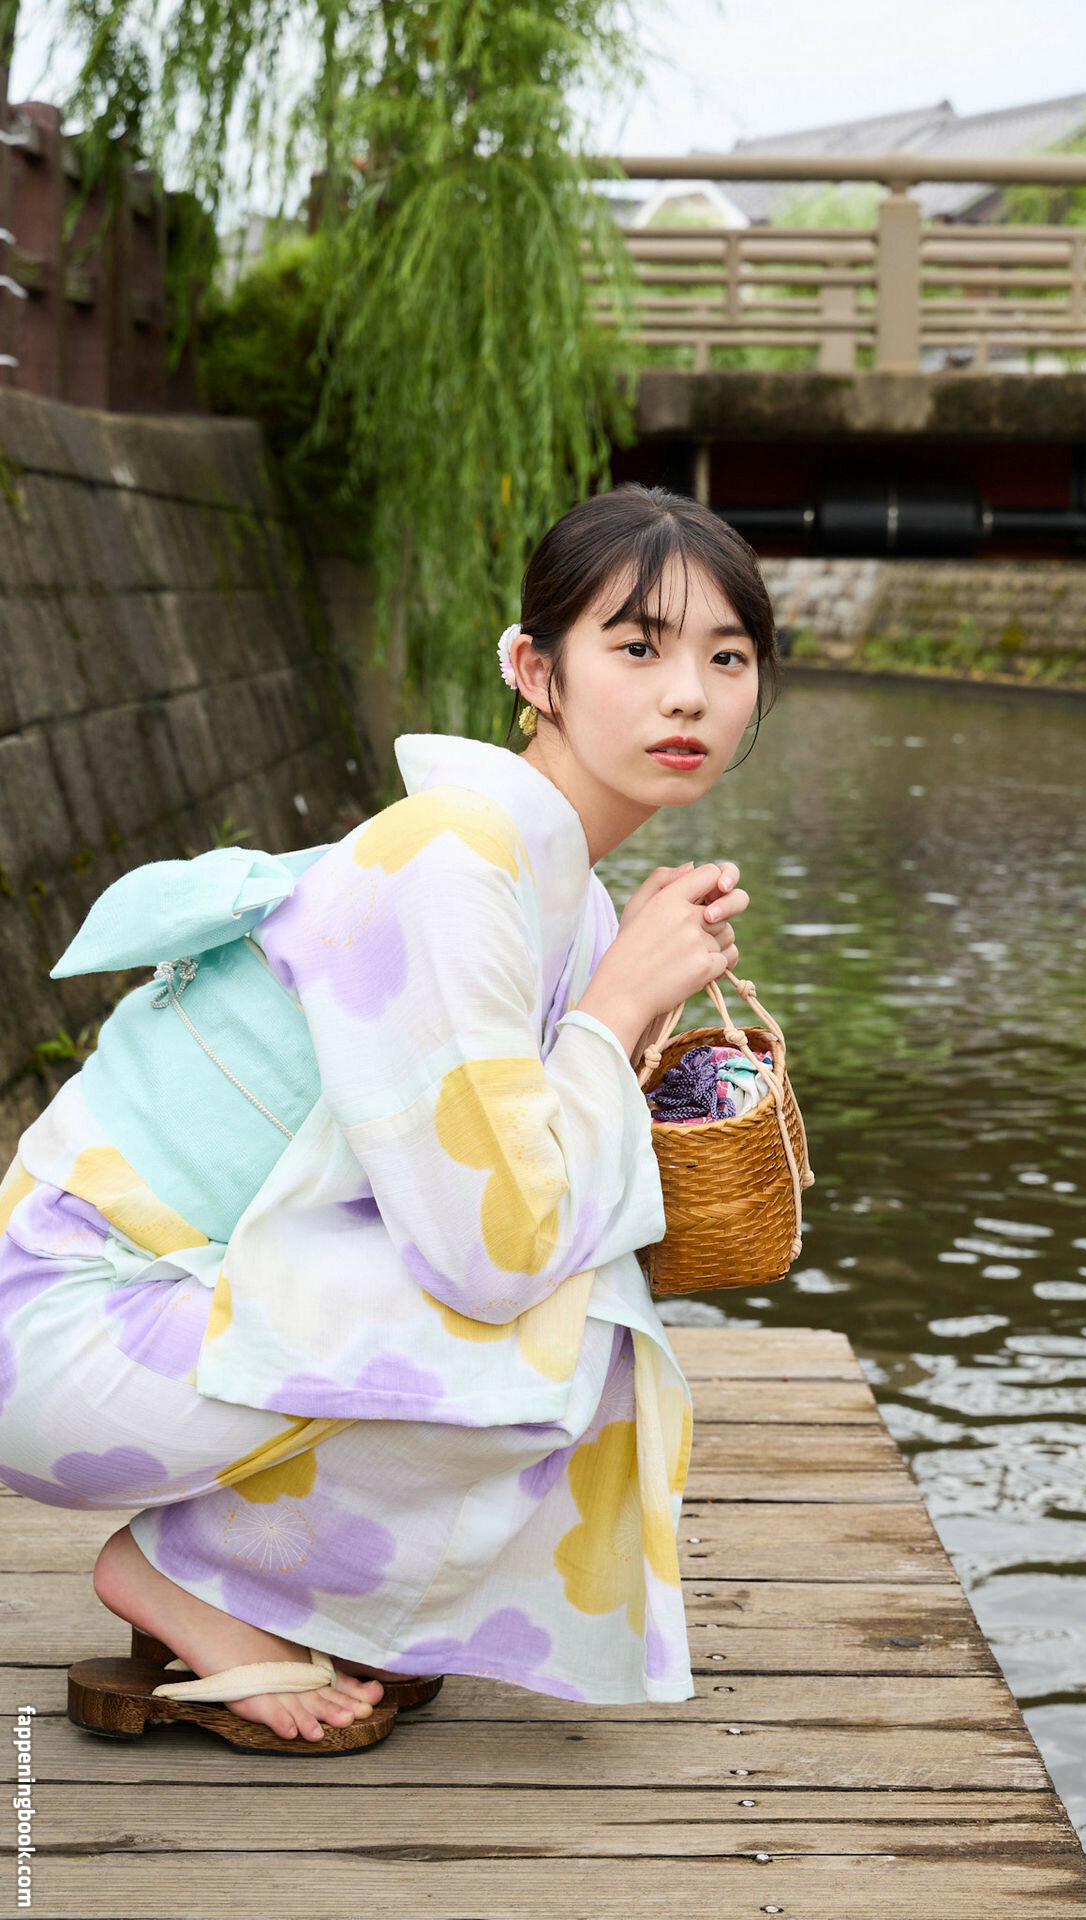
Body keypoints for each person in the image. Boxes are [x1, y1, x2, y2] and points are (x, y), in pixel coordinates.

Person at [0, 482, 780, 1751]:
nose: (687, 693)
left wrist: (621, 1002)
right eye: (638, 648)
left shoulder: (564, 893)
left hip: (186, 1301)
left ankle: (284, 1578)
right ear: (536, 670)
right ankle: (193, 1580)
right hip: (68, 1328)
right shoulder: (450, 863)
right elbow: (495, 1252)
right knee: (566, 1315)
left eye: (726, 657)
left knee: (587, 1294)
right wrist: (618, 1002)